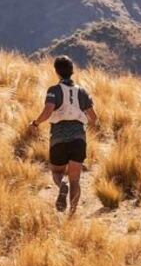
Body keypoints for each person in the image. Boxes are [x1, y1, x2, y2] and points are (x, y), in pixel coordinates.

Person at [29, 56, 97, 214]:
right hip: (79, 138)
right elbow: (94, 117)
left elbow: (47, 111)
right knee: (75, 179)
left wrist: (35, 123)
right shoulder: (82, 91)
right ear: (72, 70)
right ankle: (72, 214)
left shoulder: (54, 90)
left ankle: (62, 186)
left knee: (57, 172)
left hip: (59, 137)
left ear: (57, 72)